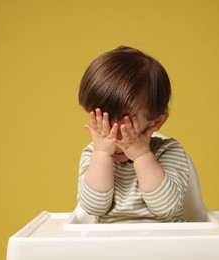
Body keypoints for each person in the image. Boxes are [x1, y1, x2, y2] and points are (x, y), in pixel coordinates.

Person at [77, 46, 190, 223]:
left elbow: (166, 208)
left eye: (125, 128)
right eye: (103, 126)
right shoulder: (94, 153)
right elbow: (93, 207)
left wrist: (142, 156)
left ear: (156, 122)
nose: (113, 140)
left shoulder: (168, 151)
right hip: (109, 245)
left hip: (164, 245)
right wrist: (101, 154)